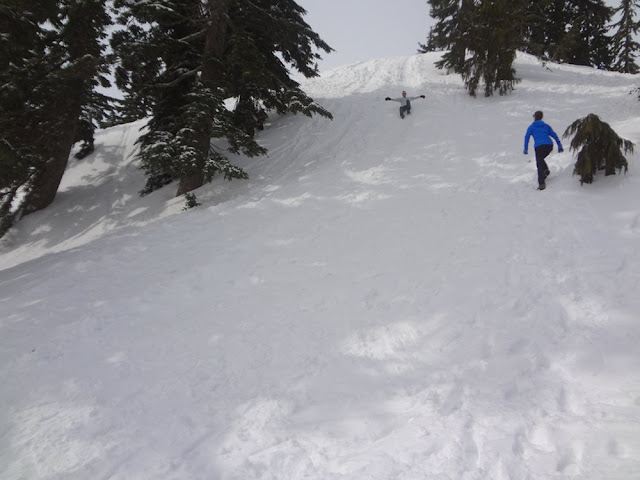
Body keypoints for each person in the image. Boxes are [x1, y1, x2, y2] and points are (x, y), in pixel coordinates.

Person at [524, 110, 564, 190]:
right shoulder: (546, 126)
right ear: (541, 117)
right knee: (540, 159)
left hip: (539, 147)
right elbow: (554, 135)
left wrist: (525, 149)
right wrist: (559, 145)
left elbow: (527, 137)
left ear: (534, 117)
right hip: (549, 146)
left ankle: (541, 183)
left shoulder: (531, 127)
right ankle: (545, 171)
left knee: (539, 162)